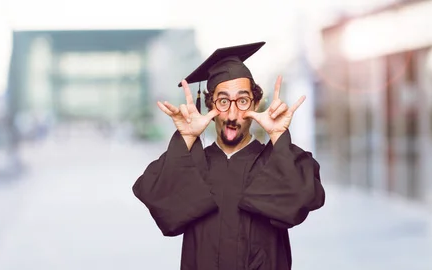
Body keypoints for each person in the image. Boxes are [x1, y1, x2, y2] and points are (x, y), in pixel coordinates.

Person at [132, 41, 325, 270]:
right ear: (210, 105)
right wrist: (186, 137)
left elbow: (303, 198)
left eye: (242, 101)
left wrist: (278, 135)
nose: (233, 113)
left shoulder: (276, 161)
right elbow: (156, 198)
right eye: (223, 101)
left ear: (255, 103)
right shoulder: (193, 164)